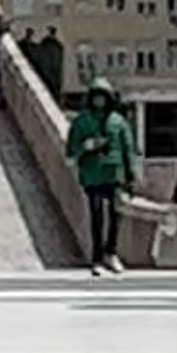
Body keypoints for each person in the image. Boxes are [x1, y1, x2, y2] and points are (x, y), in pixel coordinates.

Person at [66, 71, 138, 273]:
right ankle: (97, 257)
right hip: (92, 174)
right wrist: (85, 147)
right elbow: (70, 150)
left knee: (116, 214)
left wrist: (132, 176)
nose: (99, 100)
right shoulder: (82, 121)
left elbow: (128, 148)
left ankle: (111, 252)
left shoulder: (118, 121)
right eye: (96, 96)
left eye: (103, 96)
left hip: (115, 173)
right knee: (96, 215)